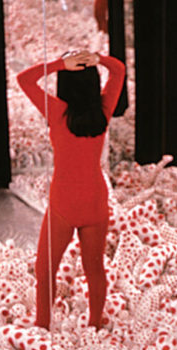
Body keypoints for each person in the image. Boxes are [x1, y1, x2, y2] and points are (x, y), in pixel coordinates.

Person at [17, 49, 126, 330]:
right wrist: (98, 58)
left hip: (64, 203)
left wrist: (59, 64)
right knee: (94, 269)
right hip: (95, 201)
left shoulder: (57, 112)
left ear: (64, 82)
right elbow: (119, 71)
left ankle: (42, 326)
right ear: (92, 82)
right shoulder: (103, 110)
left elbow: (24, 80)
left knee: (45, 269)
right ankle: (96, 324)